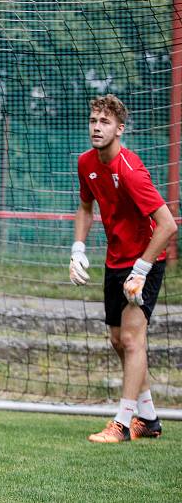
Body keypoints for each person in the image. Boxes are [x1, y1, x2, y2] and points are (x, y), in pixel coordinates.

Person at [70, 94, 177, 443]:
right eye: (93, 121)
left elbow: (167, 225)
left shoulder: (130, 171)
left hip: (145, 259)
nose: (97, 127)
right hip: (114, 260)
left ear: (119, 129)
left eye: (105, 122)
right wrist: (78, 249)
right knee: (118, 341)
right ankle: (148, 418)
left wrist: (143, 269)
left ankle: (122, 423)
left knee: (132, 339)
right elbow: (86, 207)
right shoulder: (86, 163)